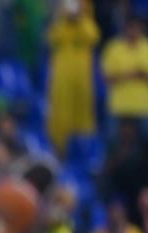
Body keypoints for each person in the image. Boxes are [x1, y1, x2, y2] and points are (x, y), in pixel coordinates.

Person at [45, 0, 99, 155]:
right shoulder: (60, 26)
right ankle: (59, 151)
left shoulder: (87, 25)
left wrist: (79, 18)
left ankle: (84, 153)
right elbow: (52, 38)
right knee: (60, 117)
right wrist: (65, 19)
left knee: (83, 117)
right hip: (62, 79)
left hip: (82, 80)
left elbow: (93, 36)